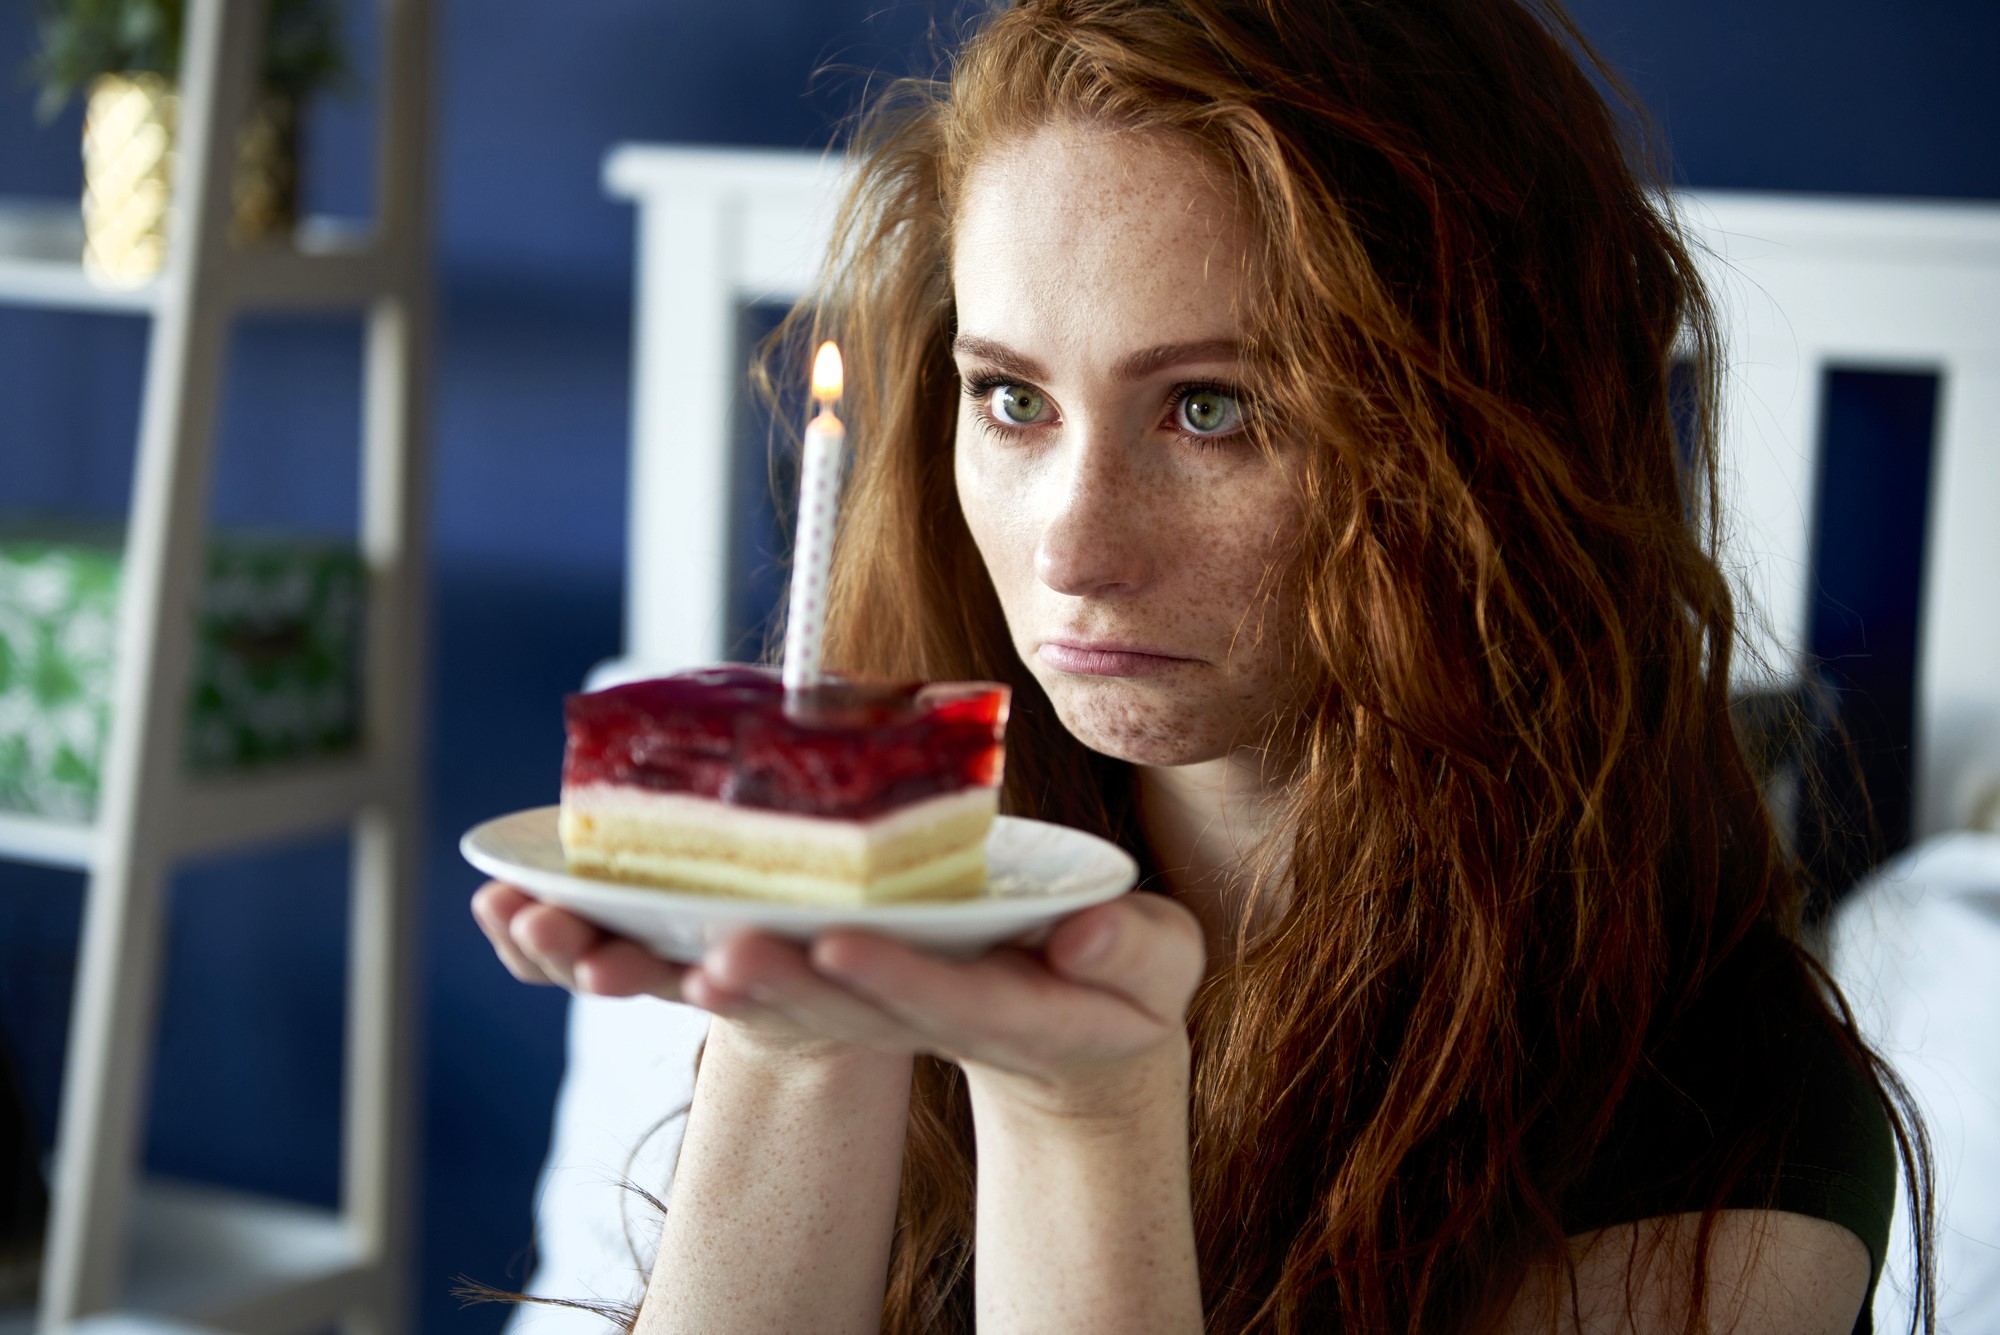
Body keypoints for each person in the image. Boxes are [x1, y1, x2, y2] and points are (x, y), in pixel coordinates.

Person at [472, 1, 1935, 1329]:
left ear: (1486, 446)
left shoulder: (1726, 1121)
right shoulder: (894, 895)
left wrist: (1080, 1117)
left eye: (1213, 409)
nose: (1074, 549)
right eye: (1012, 398)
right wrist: (799, 1056)